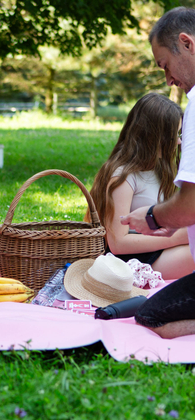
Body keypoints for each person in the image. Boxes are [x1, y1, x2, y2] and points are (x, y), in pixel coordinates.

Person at [121, 7, 195, 339]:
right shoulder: (124, 175)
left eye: (165, 64)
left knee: (153, 317)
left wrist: (152, 218)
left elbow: (188, 206)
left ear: (187, 43)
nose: (169, 80)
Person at [89, 93, 195, 280]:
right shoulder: (122, 176)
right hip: (131, 260)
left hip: (158, 248)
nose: (178, 142)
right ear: (153, 136)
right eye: (173, 135)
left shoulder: (160, 168)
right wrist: (177, 238)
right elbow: (117, 243)